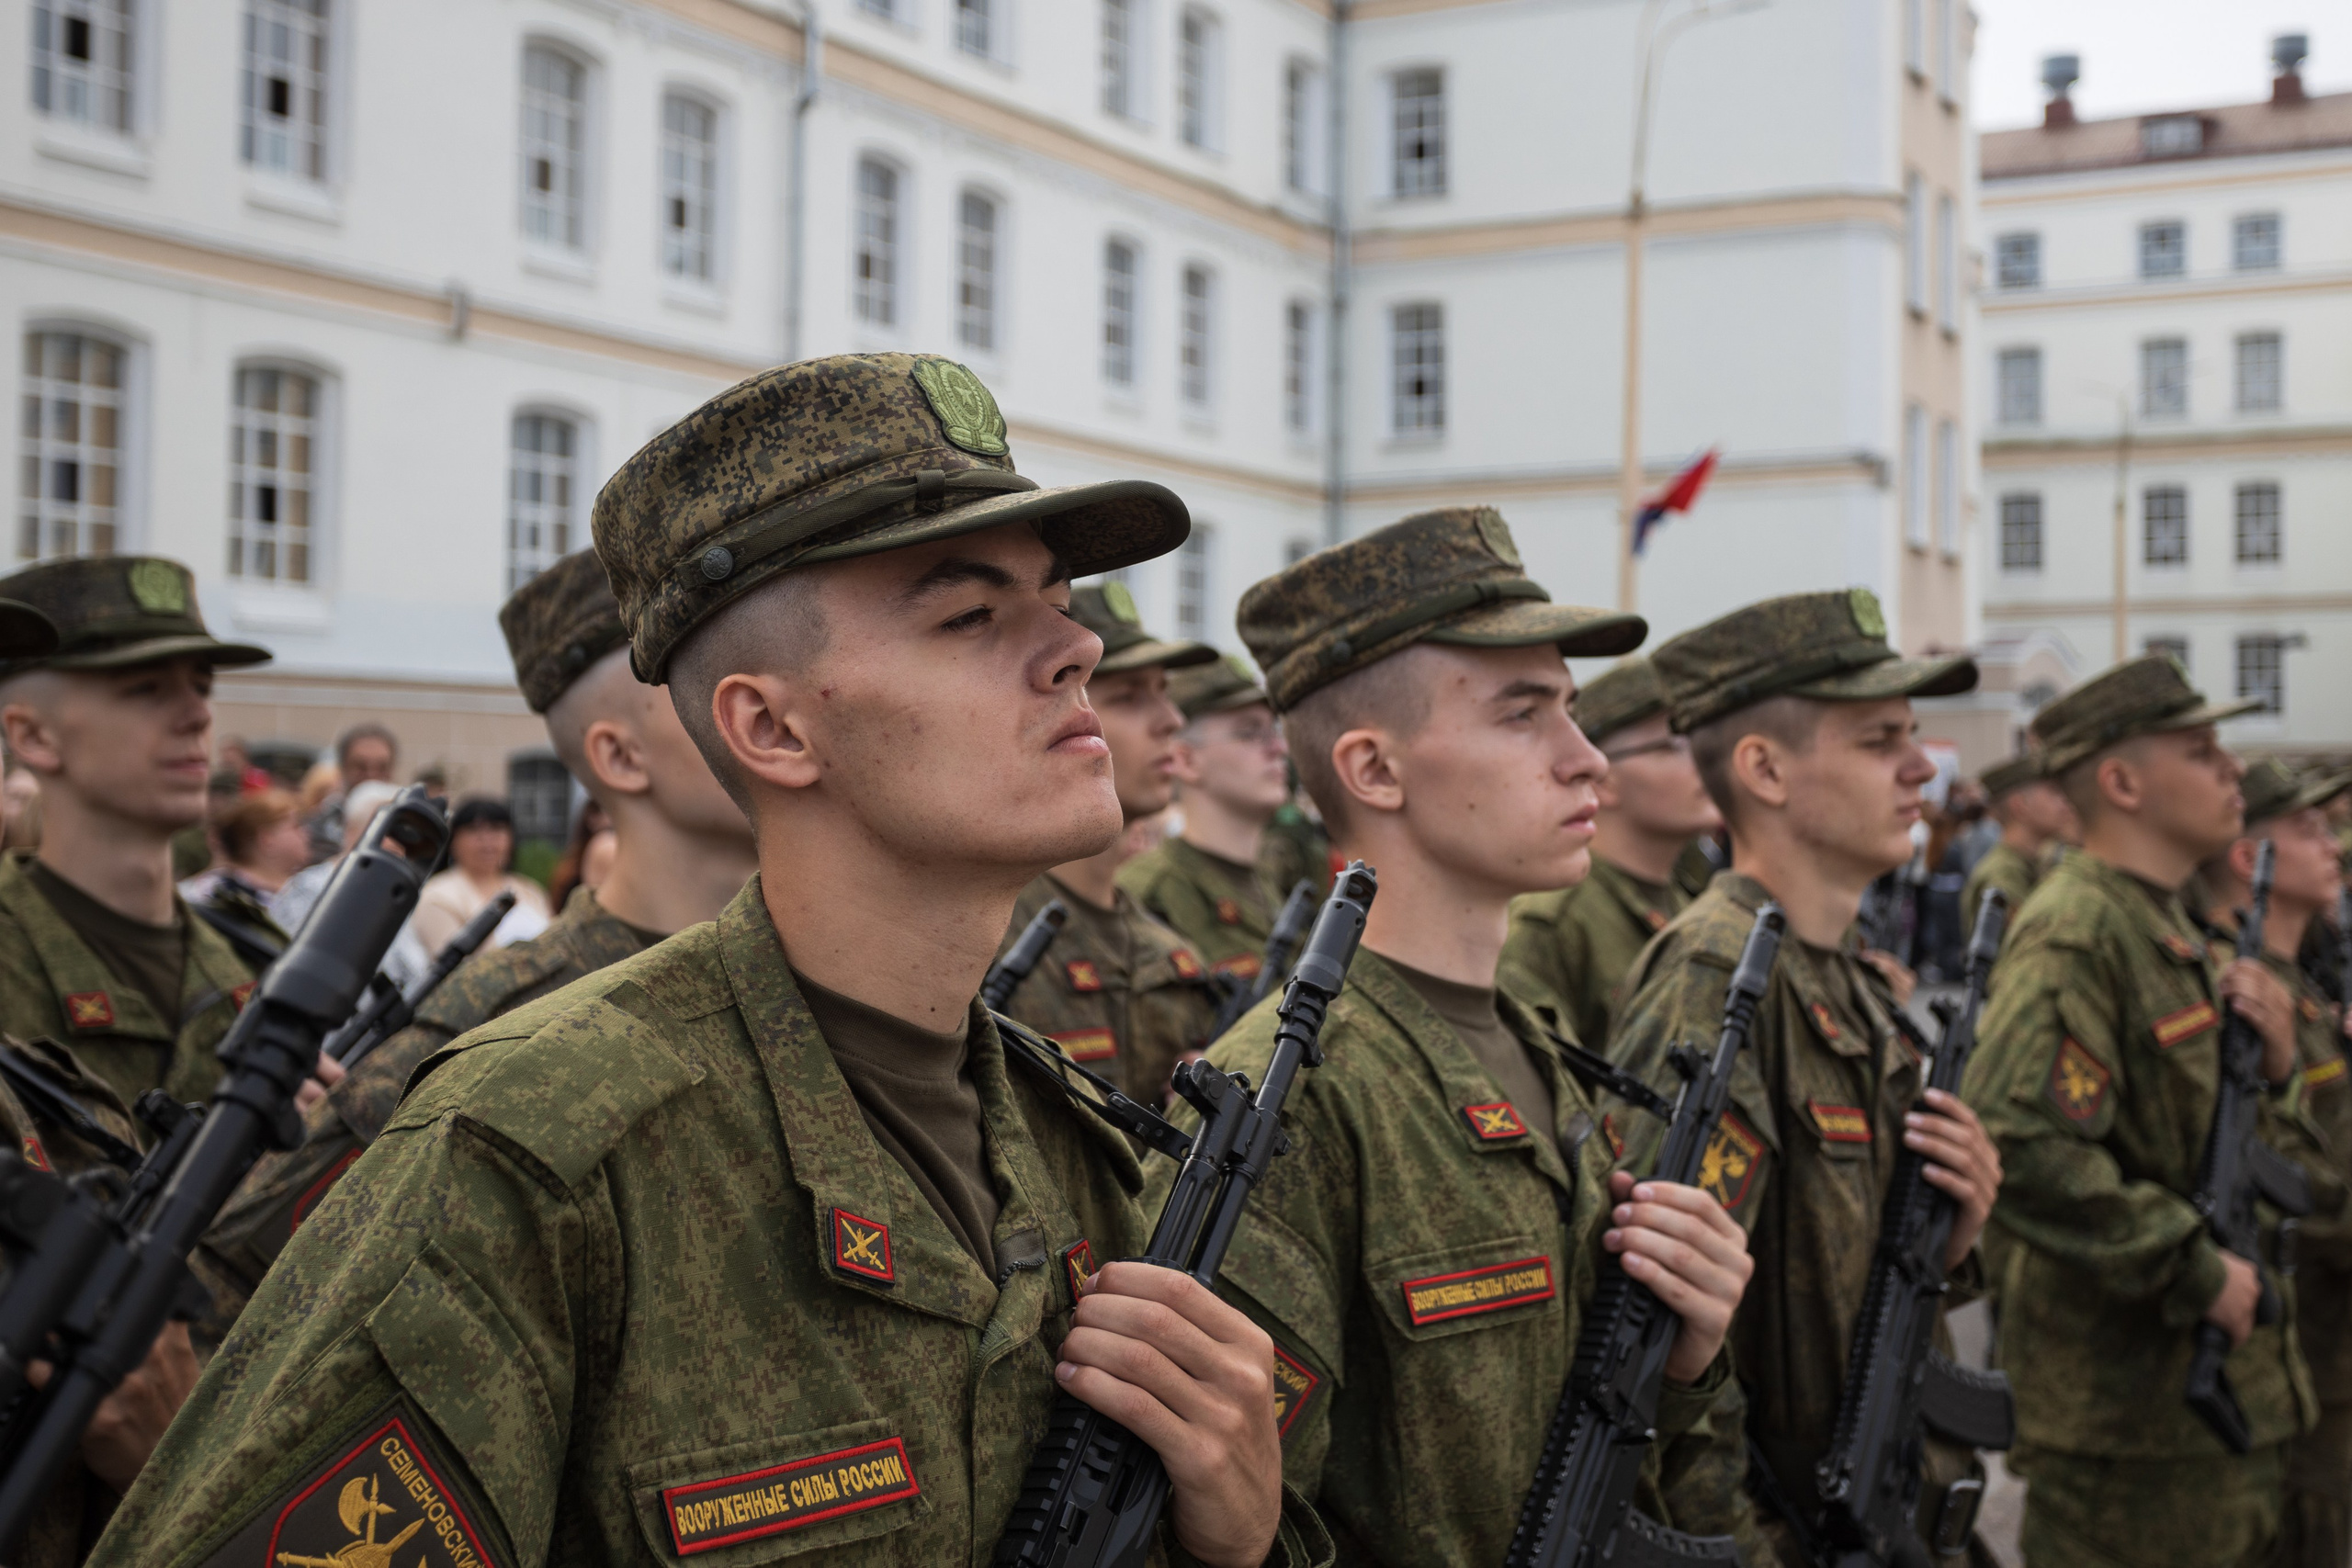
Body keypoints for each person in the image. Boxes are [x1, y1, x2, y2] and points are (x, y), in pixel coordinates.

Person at [95, 353, 1324, 1568]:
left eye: (1055, 599)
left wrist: (1245, 1535)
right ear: (773, 725)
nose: (1075, 650)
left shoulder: (1075, 1146)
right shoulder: (541, 1152)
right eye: (970, 614)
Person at [1164, 507, 1754, 1564]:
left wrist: (1684, 1358)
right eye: (1524, 714)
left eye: (1571, 712)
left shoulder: (1536, 1051)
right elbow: (1237, 1525)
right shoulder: (1283, 1100)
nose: (1588, 764)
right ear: (1375, 771)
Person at [196, 547, 761, 1317]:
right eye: (714, 674)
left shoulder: (810, 972)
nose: (770, 701)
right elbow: (227, 1285)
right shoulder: (496, 1018)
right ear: (620, 756)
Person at [1600, 590, 2005, 1565]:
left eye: (1911, 735)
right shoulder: (1718, 979)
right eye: (1878, 741)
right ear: (1765, 768)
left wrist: (1952, 1238)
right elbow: (1661, 1346)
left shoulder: (1840, 973)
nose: (1921, 766)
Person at [1965, 655, 2325, 1568]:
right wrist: (2190, 1265)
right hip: (2128, 1430)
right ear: (2121, 782)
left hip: (2202, 1413)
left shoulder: (2164, 927)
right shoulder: (2079, 928)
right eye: (2201, 751)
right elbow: (2021, 1141)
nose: (2230, 771)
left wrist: (2279, 1071)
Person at [0, 557, 329, 1111]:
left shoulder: (261, 964)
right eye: (145, 688)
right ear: (33, 735)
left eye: (202, 685)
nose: (198, 714)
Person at [2185, 759, 2352, 1568]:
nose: (2336, 846)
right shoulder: (2237, 988)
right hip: (2298, 1356)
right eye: (2313, 830)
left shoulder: (2297, 990)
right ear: (2254, 863)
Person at [992, 582, 1224, 1106]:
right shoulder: (988, 936)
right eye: (1130, 696)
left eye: (1165, 691)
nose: (1173, 720)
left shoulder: (1168, 954)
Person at [1500, 655, 1724, 1048]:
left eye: (1695, 742)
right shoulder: (1557, 922)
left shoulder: (1691, 906)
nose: (1700, 763)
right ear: (1603, 779)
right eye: (1670, 747)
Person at [1116, 655, 1294, 982]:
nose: (1279, 748)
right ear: (1186, 760)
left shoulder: (1267, 879)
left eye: (1275, 730)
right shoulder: (1150, 893)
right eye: (1250, 733)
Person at [178, 787, 308, 971]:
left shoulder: (309, 884)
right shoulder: (212, 891)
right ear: (267, 839)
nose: (305, 834)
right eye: (296, 826)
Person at [1958, 751, 2076, 943]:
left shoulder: (2028, 862)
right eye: (2053, 792)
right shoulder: (2003, 875)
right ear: (2020, 805)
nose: (2064, 802)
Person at [411, 796, 552, 955]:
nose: (487, 841)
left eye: (496, 829)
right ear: (453, 841)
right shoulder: (437, 896)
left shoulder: (529, 890)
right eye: (474, 830)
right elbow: (451, 967)